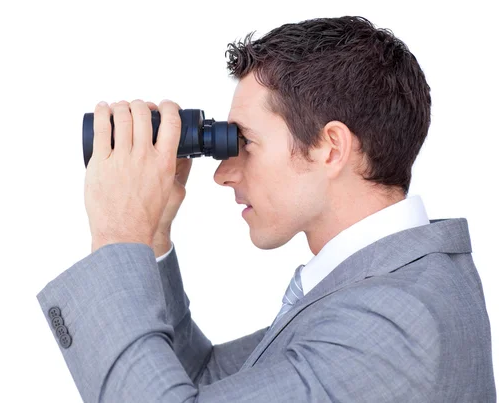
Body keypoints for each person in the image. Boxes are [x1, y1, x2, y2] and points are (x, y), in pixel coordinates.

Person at [37, 16, 496, 402]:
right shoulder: (385, 285)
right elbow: (203, 382)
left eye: (246, 142)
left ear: (329, 148)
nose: (222, 173)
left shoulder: (398, 321)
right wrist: (152, 238)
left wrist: (119, 234)